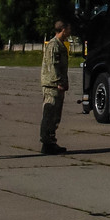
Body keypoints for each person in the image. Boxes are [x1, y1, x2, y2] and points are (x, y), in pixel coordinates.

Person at [38, 20, 71, 155]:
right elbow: (53, 66)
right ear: (63, 30)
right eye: (69, 29)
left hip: (57, 85)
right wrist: (58, 81)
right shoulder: (53, 45)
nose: (70, 32)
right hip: (52, 86)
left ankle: (51, 141)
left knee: (55, 116)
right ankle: (46, 143)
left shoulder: (60, 45)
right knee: (49, 114)